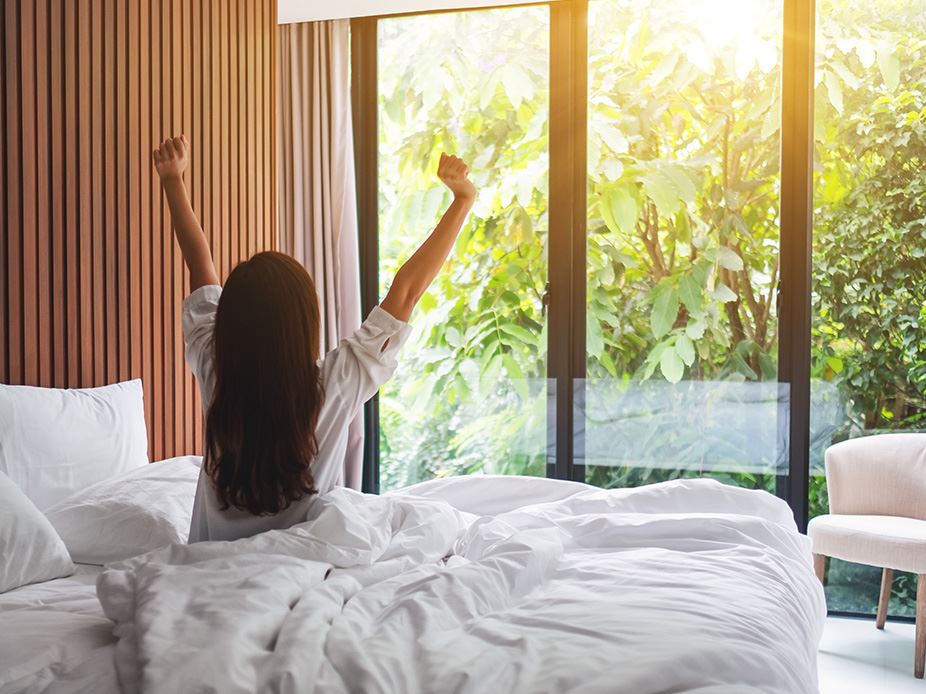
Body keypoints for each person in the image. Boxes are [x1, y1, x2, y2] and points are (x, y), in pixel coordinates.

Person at [152, 134, 476, 542]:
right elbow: (407, 291)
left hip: (210, 570)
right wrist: (462, 201)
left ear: (230, 324)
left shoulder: (215, 369)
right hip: (300, 571)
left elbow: (199, 264)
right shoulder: (335, 384)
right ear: (305, 324)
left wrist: (172, 180)